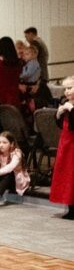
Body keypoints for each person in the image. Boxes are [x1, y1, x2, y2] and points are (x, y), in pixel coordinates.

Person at [49, 76, 74, 220]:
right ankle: (70, 207)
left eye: (70, 88)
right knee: (65, 174)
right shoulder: (65, 102)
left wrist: (72, 110)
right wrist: (58, 115)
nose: (67, 92)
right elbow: (62, 125)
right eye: (65, 89)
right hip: (65, 143)